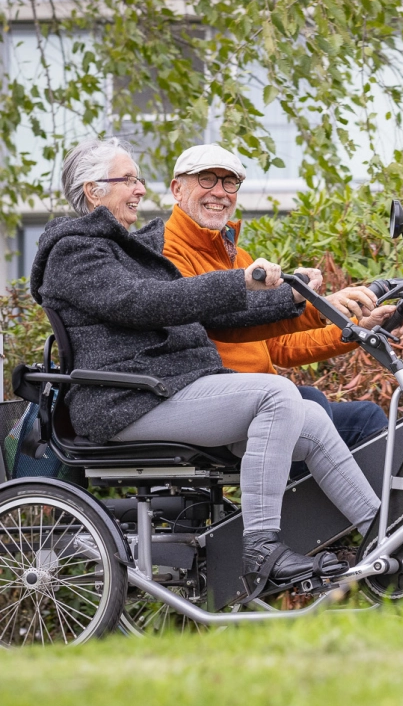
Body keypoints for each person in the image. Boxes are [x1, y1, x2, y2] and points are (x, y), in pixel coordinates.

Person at [31, 137, 380, 599]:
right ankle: (262, 551)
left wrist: (295, 297)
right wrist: (242, 280)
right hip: (126, 401)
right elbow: (146, 303)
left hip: (160, 391)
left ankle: (385, 539)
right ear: (94, 190)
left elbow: (217, 318)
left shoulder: (123, 249)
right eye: (130, 179)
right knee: (276, 395)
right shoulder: (75, 252)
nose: (139, 188)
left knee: (310, 414)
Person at [161, 144, 389, 448]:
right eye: (207, 179)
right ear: (177, 189)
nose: (220, 192)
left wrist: (354, 327)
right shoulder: (166, 253)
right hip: (223, 409)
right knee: (314, 403)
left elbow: (277, 346)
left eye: (229, 182)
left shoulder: (237, 256)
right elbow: (219, 323)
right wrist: (313, 305)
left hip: (266, 399)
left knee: (365, 415)